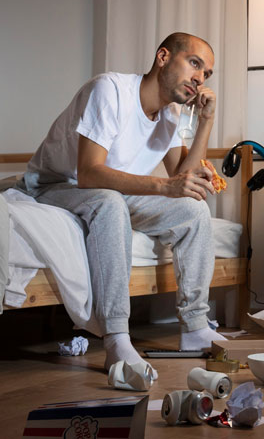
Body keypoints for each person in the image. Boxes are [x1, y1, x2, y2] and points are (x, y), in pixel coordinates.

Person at [19, 32, 226, 375]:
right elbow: (88, 173)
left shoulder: (172, 115)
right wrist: (163, 185)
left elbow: (183, 176)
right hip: (56, 184)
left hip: (113, 190)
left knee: (194, 210)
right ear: (163, 57)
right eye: (194, 64)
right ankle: (116, 338)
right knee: (110, 203)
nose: (200, 78)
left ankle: (195, 327)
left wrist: (206, 122)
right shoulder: (110, 90)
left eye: (206, 74)